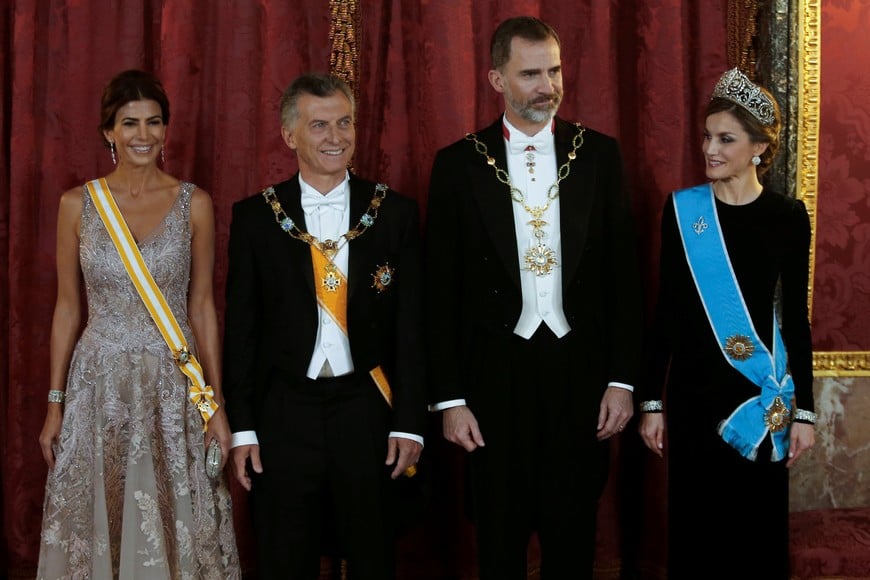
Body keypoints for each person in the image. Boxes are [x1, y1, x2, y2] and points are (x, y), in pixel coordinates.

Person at [424, 16, 643, 579]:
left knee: (573, 542)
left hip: (581, 376)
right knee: (498, 542)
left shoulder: (599, 156)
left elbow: (625, 279)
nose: (547, 85)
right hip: (493, 379)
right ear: (496, 79)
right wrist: (449, 399)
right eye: (530, 74)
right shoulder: (458, 164)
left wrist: (622, 380)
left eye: (554, 70)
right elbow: (439, 290)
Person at [36, 69, 240, 578]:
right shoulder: (76, 205)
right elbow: (67, 308)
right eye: (129, 124)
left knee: (174, 520)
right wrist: (54, 404)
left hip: (174, 385)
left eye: (153, 122)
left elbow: (202, 308)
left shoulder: (195, 203)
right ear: (109, 131)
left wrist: (216, 404)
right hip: (98, 385)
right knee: (101, 517)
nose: (142, 135)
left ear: (167, 130)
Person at [223, 72, 426, 580]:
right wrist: (243, 427)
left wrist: (408, 421)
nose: (336, 137)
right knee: (284, 554)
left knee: (372, 550)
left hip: (367, 407)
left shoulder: (395, 213)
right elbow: (241, 332)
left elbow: (412, 327)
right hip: (285, 410)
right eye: (319, 125)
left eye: (344, 122)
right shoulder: (255, 217)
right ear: (290, 135)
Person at [638, 68, 816, 579]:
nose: (709, 148)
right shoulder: (683, 211)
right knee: (697, 537)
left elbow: (796, 320)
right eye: (707, 135)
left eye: (725, 139)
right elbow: (666, 311)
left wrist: (803, 411)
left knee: (754, 537)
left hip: (760, 398)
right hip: (694, 397)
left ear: (758, 147)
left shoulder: (788, 216)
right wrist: (652, 401)